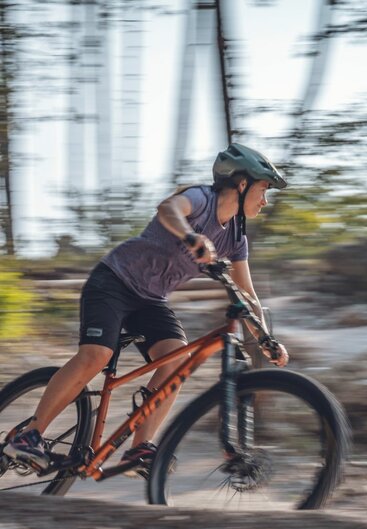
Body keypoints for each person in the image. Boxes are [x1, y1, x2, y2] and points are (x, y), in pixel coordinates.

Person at [4, 142, 289, 477]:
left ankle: (139, 449)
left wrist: (266, 339)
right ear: (241, 184)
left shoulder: (236, 238)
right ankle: (29, 435)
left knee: (177, 359)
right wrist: (190, 236)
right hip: (113, 282)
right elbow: (168, 208)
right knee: (97, 355)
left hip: (151, 300)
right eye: (263, 189)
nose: (265, 200)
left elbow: (246, 294)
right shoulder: (202, 199)